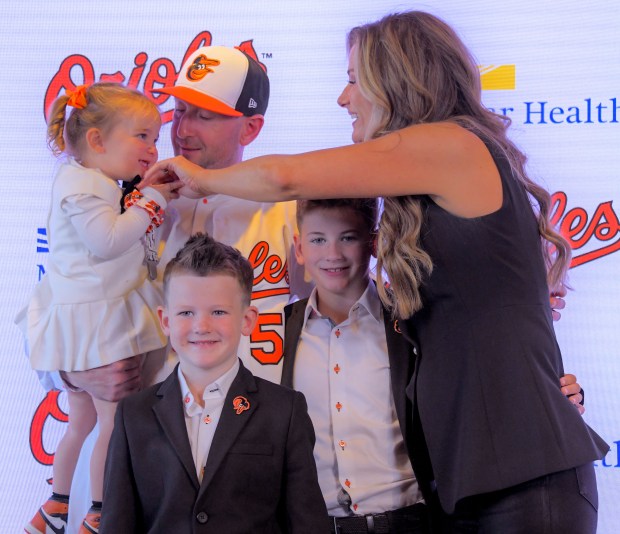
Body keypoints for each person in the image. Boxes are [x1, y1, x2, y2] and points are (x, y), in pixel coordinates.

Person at [147, 11, 608, 532]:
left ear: (396, 78)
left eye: (351, 80)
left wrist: (199, 177)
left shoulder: (451, 145)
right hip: (467, 478)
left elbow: (283, 176)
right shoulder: (438, 173)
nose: (344, 99)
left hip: (522, 471)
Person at [53, 45, 310, 534]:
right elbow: (62, 300)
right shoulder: (130, 198)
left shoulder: (290, 208)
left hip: (254, 456)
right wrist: (74, 374)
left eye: (206, 115)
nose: (183, 128)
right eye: (182, 110)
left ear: (250, 129)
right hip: (148, 457)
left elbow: (335, 322)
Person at [283, 198, 589, 534]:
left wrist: (555, 394)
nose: (333, 254)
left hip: (411, 523)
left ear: (373, 243)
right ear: (299, 248)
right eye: (317, 240)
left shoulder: (418, 320)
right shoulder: (278, 334)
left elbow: (483, 376)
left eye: (348, 237)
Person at [17, 82, 180, 533]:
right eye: (142, 135)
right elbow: (108, 242)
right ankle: (99, 510)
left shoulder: (93, 180)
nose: (152, 147)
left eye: (155, 136)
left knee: (82, 419)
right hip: (96, 317)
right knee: (110, 417)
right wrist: (153, 200)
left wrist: (141, 195)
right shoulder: (84, 186)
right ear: (97, 141)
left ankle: (56, 503)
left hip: (86, 314)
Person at [100, 232, 329, 533]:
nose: (201, 326)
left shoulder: (284, 411)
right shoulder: (133, 414)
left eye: (218, 312)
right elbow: (118, 524)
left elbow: (307, 524)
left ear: (247, 320)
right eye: (186, 313)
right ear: (165, 320)